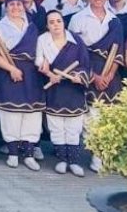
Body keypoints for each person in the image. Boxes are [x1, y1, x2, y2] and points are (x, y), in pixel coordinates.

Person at [67, 0, 124, 173]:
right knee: (90, 116)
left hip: (109, 73)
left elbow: (118, 50)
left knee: (108, 115)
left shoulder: (114, 20)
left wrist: (109, 75)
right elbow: (74, 50)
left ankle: (104, 157)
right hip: (87, 69)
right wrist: (94, 76)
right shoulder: (78, 18)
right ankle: (94, 156)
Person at [0, 0, 44, 170]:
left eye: (19, 4)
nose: (15, 7)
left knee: (32, 115)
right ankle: (12, 154)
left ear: (24, 6)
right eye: (11, 4)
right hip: (9, 73)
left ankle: (28, 155)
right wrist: (11, 69)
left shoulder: (32, 27)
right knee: (10, 114)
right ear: (6, 7)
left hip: (32, 75)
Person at [36, 10, 91, 177]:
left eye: (58, 21)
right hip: (54, 88)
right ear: (47, 25)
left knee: (73, 127)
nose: (56, 25)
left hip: (73, 89)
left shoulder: (76, 40)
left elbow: (85, 64)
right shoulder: (42, 39)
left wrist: (79, 76)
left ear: (63, 22)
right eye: (51, 22)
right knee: (56, 127)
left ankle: (73, 161)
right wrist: (49, 74)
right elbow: (39, 61)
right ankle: (62, 160)